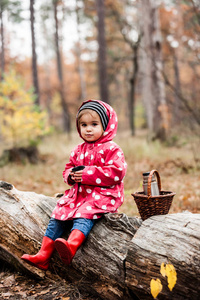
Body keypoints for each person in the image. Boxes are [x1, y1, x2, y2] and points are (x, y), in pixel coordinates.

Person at [21, 99, 127, 270]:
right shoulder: (78, 150)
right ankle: (43, 255)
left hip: (102, 196)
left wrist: (87, 174)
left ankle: (71, 245)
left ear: (106, 125)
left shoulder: (112, 149)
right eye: (84, 125)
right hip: (80, 194)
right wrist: (71, 176)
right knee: (59, 211)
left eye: (94, 124)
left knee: (84, 213)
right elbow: (67, 169)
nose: (88, 129)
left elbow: (117, 172)